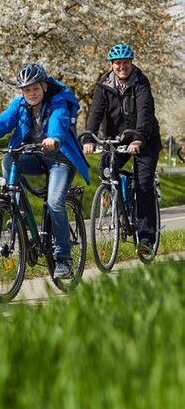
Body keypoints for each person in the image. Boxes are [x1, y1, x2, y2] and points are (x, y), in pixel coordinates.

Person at [0, 63, 90, 279]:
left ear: (44, 86)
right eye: (27, 90)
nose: (31, 93)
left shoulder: (57, 102)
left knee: (55, 202)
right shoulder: (19, 106)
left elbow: (59, 121)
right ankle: (15, 205)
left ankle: (63, 258)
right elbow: (2, 123)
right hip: (34, 156)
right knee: (8, 159)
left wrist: (53, 138)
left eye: (35, 88)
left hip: (59, 159)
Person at [82, 43, 161, 252]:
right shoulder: (103, 86)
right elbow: (95, 114)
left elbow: (145, 113)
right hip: (117, 140)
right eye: (118, 63)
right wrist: (89, 138)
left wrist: (139, 138)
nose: (122, 67)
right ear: (111, 65)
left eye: (125, 62)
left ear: (131, 63)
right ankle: (121, 205)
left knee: (143, 183)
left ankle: (146, 239)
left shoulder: (141, 83)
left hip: (145, 139)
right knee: (106, 169)